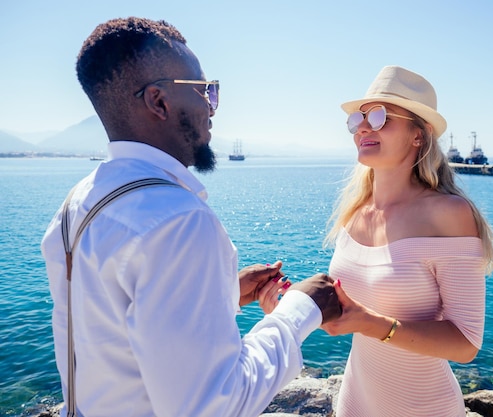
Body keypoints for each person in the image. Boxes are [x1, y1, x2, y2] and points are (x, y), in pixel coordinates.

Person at [41, 17, 341, 417]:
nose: (212, 108)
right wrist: (302, 308)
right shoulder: (178, 222)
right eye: (205, 90)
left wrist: (224, 294)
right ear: (159, 102)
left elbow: (111, 330)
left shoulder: (77, 202)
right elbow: (212, 406)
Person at [321, 66, 493, 417]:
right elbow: (351, 303)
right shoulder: (355, 211)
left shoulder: (449, 214)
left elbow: (465, 344)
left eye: (379, 117)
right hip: (355, 403)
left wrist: (370, 324)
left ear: (419, 135)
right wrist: (299, 306)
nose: (362, 127)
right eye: (359, 118)